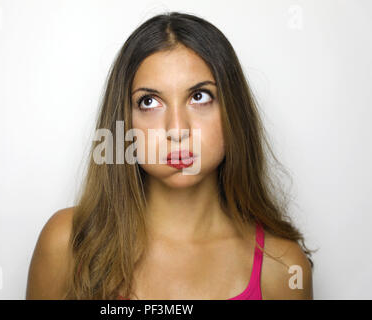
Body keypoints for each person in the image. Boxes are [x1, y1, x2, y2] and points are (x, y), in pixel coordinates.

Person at [26, 11, 315, 300]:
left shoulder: (283, 266)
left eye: (200, 96)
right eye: (149, 102)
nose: (177, 130)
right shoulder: (66, 243)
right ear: (123, 122)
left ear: (233, 111)